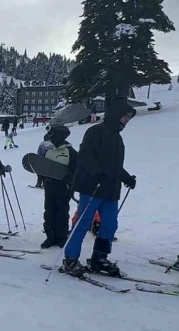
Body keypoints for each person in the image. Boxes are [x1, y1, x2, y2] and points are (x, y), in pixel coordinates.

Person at [63, 101, 137, 276]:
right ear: (116, 114)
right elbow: (85, 156)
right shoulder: (95, 131)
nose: (127, 120)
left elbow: (114, 165)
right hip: (93, 187)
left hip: (111, 190)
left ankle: (99, 258)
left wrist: (126, 177)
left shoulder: (117, 137)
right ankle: (70, 258)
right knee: (83, 223)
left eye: (129, 117)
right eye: (126, 116)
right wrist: (97, 173)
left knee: (110, 225)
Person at [40, 126, 78, 249]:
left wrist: (70, 178)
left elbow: (77, 169)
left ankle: (61, 237)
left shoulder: (70, 151)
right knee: (49, 212)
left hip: (63, 187)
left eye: (54, 135)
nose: (51, 137)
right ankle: (50, 236)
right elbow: (43, 167)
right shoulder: (49, 151)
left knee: (62, 212)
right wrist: (41, 178)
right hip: (49, 186)